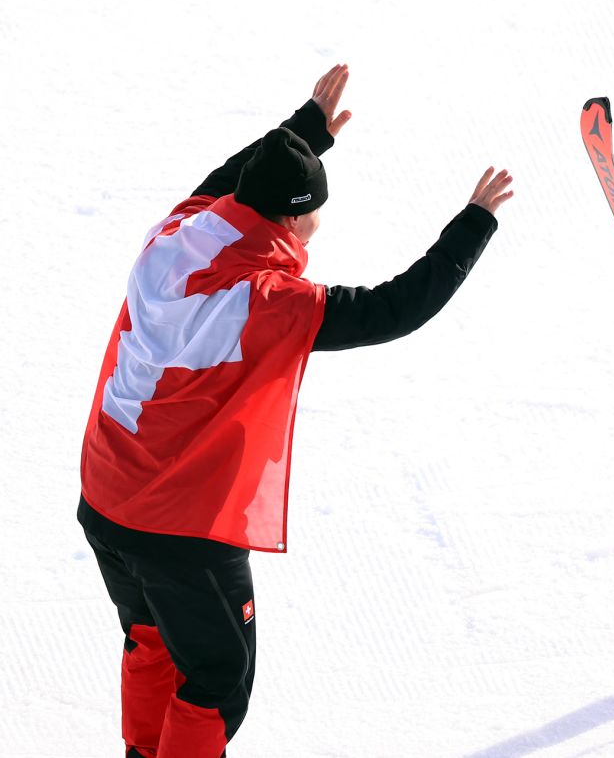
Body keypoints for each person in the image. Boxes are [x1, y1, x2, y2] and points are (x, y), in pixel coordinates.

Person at [77, 64, 513, 757]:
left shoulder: (176, 231)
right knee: (219, 677)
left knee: (155, 639)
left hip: (106, 498)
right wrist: (474, 224)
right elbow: (394, 308)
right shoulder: (267, 304)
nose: (316, 229)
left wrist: (305, 129)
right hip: (178, 525)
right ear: (290, 216)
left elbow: (230, 175)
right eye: (314, 213)